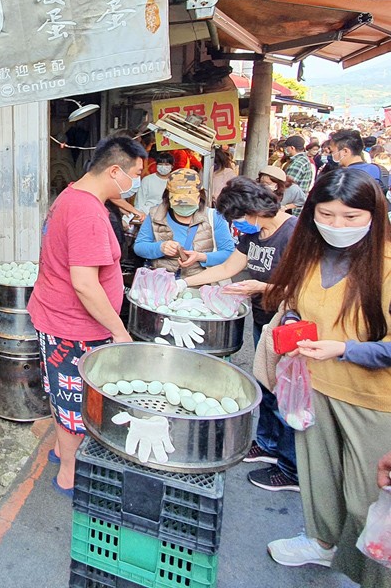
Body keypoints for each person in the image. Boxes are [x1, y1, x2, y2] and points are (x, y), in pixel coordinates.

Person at [262, 168, 391, 588]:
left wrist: (345, 349)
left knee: (366, 501)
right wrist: (296, 322)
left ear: (374, 215)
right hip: (314, 385)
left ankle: (374, 575)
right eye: (327, 215)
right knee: (318, 476)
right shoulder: (310, 253)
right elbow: (297, 303)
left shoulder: (386, 265)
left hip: (373, 400)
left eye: (351, 217)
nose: (337, 226)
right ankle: (320, 541)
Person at [27, 136, 142, 494]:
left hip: (55, 317)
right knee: (75, 402)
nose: (135, 181)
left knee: (61, 393)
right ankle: (69, 476)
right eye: (135, 173)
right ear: (114, 170)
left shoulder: (71, 195)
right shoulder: (88, 212)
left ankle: (63, 453)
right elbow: (85, 284)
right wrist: (120, 331)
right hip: (75, 327)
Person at [181, 177, 300, 491]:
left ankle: (291, 469)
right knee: (267, 381)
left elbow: (307, 288)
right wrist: (183, 284)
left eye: (239, 218)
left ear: (255, 209)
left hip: (289, 321)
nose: (238, 226)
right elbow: (226, 269)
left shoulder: (294, 234)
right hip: (264, 318)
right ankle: (268, 443)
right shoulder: (256, 235)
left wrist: (263, 287)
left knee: (287, 390)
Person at [132, 169, 235, 277]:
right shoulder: (155, 215)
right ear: (168, 197)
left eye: (189, 202)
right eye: (179, 203)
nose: (184, 206)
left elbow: (228, 252)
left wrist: (201, 256)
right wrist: (160, 247)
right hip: (162, 282)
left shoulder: (214, 217)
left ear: (199, 196)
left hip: (199, 284)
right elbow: (139, 247)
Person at [331, 128, 389, 193]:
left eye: (332, 151)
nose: (331, 154)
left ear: (345, 151)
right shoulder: (381, 171)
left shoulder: (342, 177)